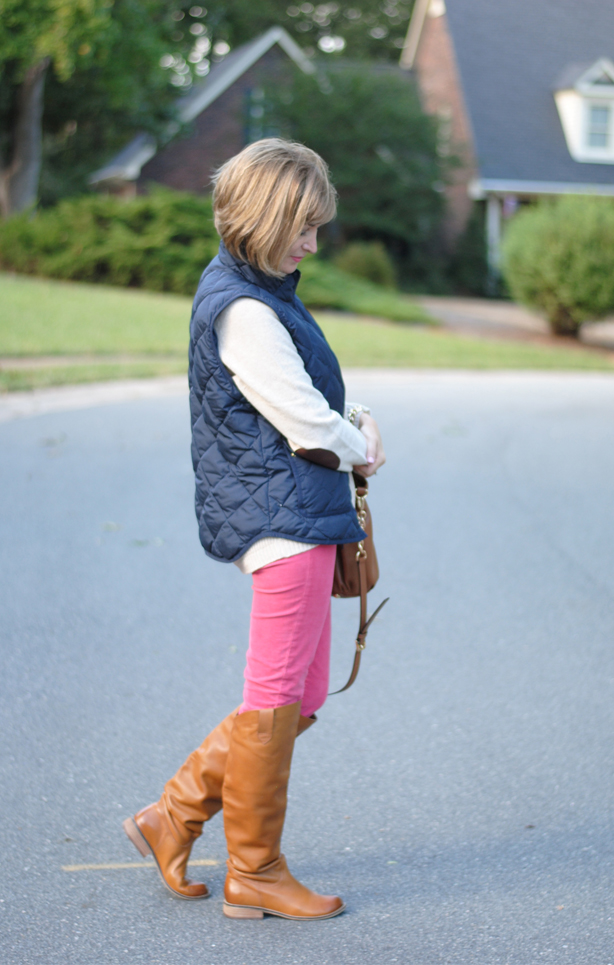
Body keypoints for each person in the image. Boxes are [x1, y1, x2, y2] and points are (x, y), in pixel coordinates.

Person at [123, 138, 386, 921]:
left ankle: (174, 815)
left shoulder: (259, 288)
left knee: (300, 695)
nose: (312, 242)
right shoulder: (242, 306)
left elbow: (311, 390)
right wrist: (360, 441)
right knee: (277, 694)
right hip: (285, 520)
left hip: (296, 512)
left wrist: (357, 418)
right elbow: (303, 417)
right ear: (264, 220)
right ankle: (255, 869)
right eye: (302, 227)